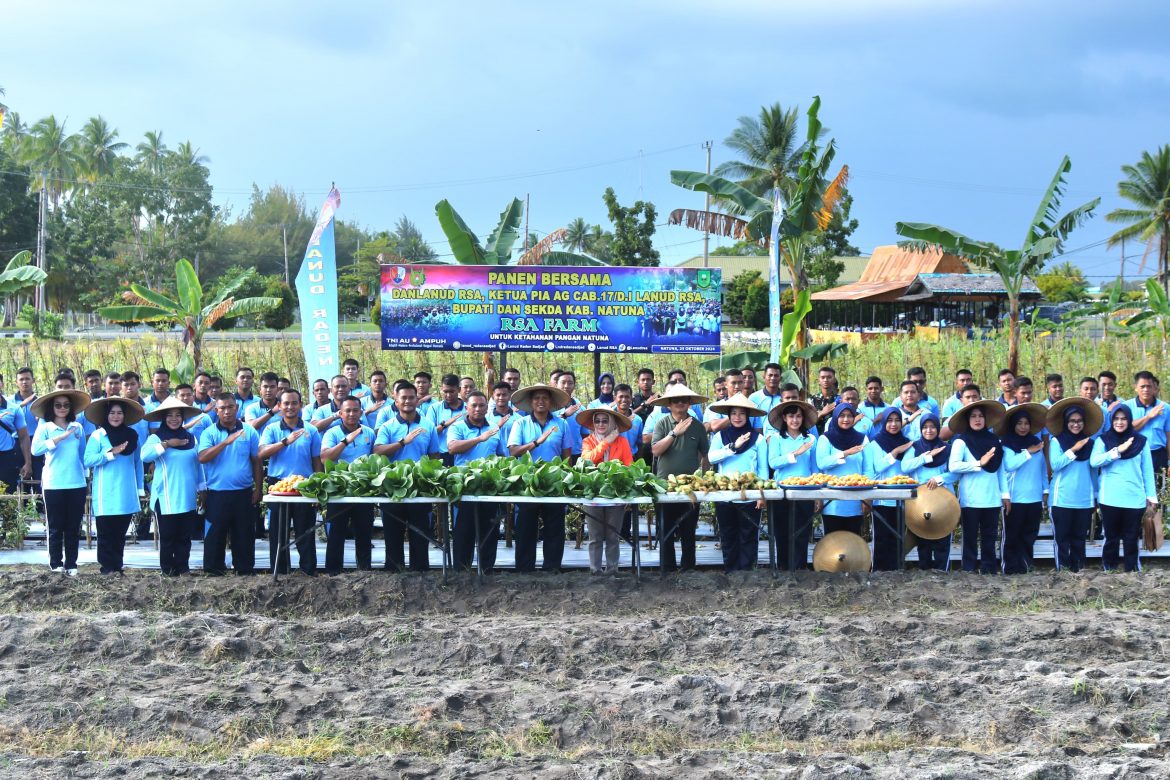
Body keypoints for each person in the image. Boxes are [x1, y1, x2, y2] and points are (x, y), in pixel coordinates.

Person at [259, 389, 323, 575]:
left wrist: (317, 486)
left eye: (294, 403)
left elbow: (316, 460)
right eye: (285, 403)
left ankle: (308, 571)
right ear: (279, 406)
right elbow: (262, 453)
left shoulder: (310, 430)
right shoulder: (272, 429)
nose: (290, 407)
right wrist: (284, 442)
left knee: (305, 531)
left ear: (300, 405)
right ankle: (280, 571)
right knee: (278, 533)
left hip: (304, 486)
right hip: (278, 486)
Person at [508, 384, 571, 572]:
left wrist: (562, 475)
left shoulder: (561, 424)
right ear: (531, 402)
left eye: (545, 398)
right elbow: (513, 451)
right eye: (536, 398)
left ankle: (552, 568)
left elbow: (567, 454)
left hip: (554, 483)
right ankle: (524, 569)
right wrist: (537, 442)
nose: (540, 401)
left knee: (554, 528)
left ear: (551, 402)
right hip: (527, 483)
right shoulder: (520, 423)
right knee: (526, 528)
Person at [198, 394, 263, 576]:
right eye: (222, 408)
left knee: (244, 533)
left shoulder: (249, 431)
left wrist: (258, 488)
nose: (227, 411)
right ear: (216, 411)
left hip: (243, 492)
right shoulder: (209, 432)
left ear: (237, 408)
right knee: (215, 533)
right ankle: (214, 569)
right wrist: (225, 442)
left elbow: (256, 461)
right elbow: (202, 457)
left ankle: (244, 569)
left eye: (230, 407)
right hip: (217, 493)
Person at [649, 383, 710, 571]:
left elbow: (705, 455)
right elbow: (656, 450)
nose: (680, 403)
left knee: (688, 529)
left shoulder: (698, 426)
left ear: (690, 403)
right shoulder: (662, 423)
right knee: (665, 529)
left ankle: (688, 568)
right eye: (676, 400)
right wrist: (675, 433)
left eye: (684, 399)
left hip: (690, 486)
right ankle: (667, 569)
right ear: (669, 404)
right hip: (665, 486)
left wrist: (703, 478)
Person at [142, 396, 204, 576]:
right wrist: (167, 444)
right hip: (166, 495)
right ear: (163, 418)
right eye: (170, 415)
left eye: (178, 415)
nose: (174, 419)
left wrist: (202, 489)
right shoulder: (156, 437)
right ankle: (168, 570)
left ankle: (183, 568)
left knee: (185, 536)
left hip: (187, 494)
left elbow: (198, 464)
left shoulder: (191, 438)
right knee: (168, 536)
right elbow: (144, 456)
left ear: (183, 417)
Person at [83, 398, 146, 575]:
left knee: (120, 533)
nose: (116, 416)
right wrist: (110, 453)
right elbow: (88, 460)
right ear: (106, 415)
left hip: (126, 491)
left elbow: (137, 463)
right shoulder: (98, 435)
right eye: (112, 413)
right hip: (105, 492)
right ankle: (106, 567)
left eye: (120, 413)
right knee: (105, 533)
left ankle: (117, 566)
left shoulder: (132, 436)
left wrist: (140, 488)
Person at [1091, 405, 1158, 572]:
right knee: (1111, 537)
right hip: (1109, 497)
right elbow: (1094, 461)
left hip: (1134, 497)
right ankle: (1109, 568)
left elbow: (1147, 471)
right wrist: (1117, 451)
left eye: (1124, 419)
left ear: (1129, 420)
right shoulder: (1103, 440)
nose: (1120, 422)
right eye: (1116, 419)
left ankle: (1132, 569)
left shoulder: (1141, 441)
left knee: (1131, 536)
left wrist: (1152, 496)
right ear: (1111, 420)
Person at [30, 389, 90, 575]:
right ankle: (56, 563)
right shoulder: (45, 427)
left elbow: (83, 455)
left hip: (76, 483)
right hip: (53, 483)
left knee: (73, 527)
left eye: (66, 405)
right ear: (52, 407)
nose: (62, 408)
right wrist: (58, 438)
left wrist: (87, 475)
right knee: (55, 527)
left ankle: (71, 564)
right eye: (58, 405)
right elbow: (36, 450)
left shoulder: (77, 427)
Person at [707, 393, 768, 572]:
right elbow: (711, 458)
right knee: (728, 535)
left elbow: (763, 469)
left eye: (742, 414)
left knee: (748, 535)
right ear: (728, 416)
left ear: (748, 416)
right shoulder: (720, 436)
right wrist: (733, 448)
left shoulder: (759, 439)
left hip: (750, 496)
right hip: (725, 496)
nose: (737, 417)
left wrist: (761, 494)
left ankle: (747, 573)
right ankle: (731, 572)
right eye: (734, 413)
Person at [448, 391, 508, 573]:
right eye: (474, 405)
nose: (478, 409)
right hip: (464, 487)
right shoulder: (458, 427)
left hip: (489, 486)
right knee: (464, 530)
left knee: (489, 530)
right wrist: (479, 439)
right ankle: (461, 569)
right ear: (467, 407)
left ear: (486, 408)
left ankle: (486, 569)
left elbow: (502, 455)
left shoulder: (494, 429)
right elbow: (452, 448)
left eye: (482, 405)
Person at [947, 400, 1009, 573]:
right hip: (971, 498)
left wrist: (1005, 495)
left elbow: (1000, 471)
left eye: (981, 416)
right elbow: (954, 466)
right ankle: (969, 568)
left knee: (990, 536)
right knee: (970, 536)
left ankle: (989, 568)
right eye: (973, 416)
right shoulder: (961, 441)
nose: (977, 419)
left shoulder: (994, 441)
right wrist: (978, 463)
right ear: (967, 420)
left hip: (992, 498)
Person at [320, 396, 376, 574]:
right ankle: (333, 571)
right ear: (341, 413)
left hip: (363, 490)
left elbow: (375, 457)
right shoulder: (332, 433)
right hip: (338, 490)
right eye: (348, 411)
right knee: (336, 532)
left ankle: (364, 570)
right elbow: (325, 458)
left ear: (361, 412)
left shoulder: (369, 432)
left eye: (355, 410)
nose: (352, 414)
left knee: (364, 532)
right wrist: (346, 441)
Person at [1046, 398, 1100, 572]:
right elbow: (1055, 465)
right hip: (1061, 499)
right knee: (1062, 539)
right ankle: (1062, 571)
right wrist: (1074, 449)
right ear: (1066, 422)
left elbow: (1093, 471)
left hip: (1084, 499)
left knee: (1079, 538)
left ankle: (1078, 569)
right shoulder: (1057, 442)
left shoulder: (1090, 444)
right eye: (1072, 421)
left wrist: (1095, 496)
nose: (1076, 425)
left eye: (1079, 421)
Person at [577, 407, 633, 574]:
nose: (601, 424)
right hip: (592, 493)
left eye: (605, 420)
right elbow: (587, 460)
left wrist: (628, 494)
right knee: (595, 537)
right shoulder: (588, 441)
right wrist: (607, 441)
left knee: (612, 536)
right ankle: (595, 570)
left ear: (612, 422)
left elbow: (629, 467)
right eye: (597, 421)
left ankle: (612, 570)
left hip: (616, 494)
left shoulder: (623, 442)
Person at [767, 400, 818, 570]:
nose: (795, 420)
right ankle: (782, 568)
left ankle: (800, 568)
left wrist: (817, 493)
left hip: (806, 491)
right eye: (791, 416)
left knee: (802, 531)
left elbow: (814, 468)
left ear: (803, 418)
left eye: (798, 416)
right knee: (781, 532)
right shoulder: (776, 438)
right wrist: (796, 453)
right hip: (781, 491)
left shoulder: (810, 439)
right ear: (784, 418)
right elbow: (773, 463)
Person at [901, 414, 957, 570]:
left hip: (943, 499)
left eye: (932, 427)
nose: (929, 430)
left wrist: (939, 478)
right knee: (922, 536)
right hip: (921, 501)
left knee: (943, 535)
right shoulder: (915, 447)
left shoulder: (947, 448)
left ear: (938, 428)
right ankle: (924, 571)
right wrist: (926, 457)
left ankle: (942, 571)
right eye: (925, 427)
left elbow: (955, 472)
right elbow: (905, 467)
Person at [999, 404, 1049, 574]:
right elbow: (1010, 465)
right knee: (1012, 535)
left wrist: (1045, 491)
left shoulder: (1037, 443)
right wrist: (1028, 452)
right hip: (1015, 498)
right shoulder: (1007, 444)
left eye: (1026, 423)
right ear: (1013, 425)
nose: (1023, 427)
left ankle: (1026, 565)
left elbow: (1043, 469)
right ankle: (1010, 567)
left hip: (1034, 498)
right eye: (1019, 423)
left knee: (1029, 534)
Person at [865, 408, 916, 570]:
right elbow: (877, 468)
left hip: (902, 499)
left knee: (898, 536)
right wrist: (894, 453)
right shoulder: (875, 443)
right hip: (881, 497)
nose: (893, 424)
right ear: (884, 422)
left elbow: (909, 468)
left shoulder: (907, 441)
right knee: (881, 537)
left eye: (897, 420)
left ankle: (896, 570)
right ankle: (879, 571)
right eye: (889, 420)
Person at [815, 404, 868, 534]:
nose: (846, 419)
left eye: (849, 416)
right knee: (832, 542)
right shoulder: (825, 438)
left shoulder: (862, 439)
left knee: (853, 541)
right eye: (842, 416)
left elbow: (867, 469)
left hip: (856, 498)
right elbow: (822, 463)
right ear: (835, 417)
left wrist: (867, 497)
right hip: (832, 502)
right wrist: (844, 453)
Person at [1123, 371, 1169, 483]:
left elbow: (1169, 437)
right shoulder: (1126, 407)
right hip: (1134, 454)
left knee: (1159, 491)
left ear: (1154, 388)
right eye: (1142, 386)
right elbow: (1127, 430)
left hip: (1158, 455)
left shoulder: (1165, 408)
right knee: (1136, 488)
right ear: (1136, 388)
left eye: (1149, 386)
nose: (1145, 390)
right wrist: (1149, 416)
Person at [0, 374, 31, 495]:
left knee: (8, 497)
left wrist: (28, 463)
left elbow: (23, 437)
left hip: (8, 457)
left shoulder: (14, 408)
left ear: (2, 384)